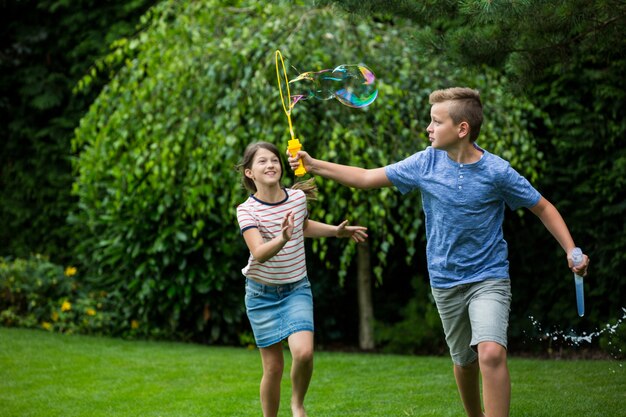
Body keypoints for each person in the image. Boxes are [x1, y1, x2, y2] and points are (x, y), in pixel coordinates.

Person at [287, 87, 590, 417]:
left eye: (435, 121)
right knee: (464, 360)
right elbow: (365, 177)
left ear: (462, 129)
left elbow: (543, 207)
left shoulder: (497, 171)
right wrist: (313, 164)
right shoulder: (424, 163)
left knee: (490, 353)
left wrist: (570, 249)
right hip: (445, 280)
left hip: (488, 277)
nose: (428, 128)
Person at [236, 141, 367, 417]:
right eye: (262, 162)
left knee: (304, 353)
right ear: (249, 173)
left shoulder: (296, 199)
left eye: (274, 160)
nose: (271, 165)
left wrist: (335, 231)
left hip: (296, 288)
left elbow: (303, 227)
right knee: (273, 368)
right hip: (261, 294)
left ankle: (297, 404)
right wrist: (283, 238)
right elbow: (259, 253)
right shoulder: (246, 210)